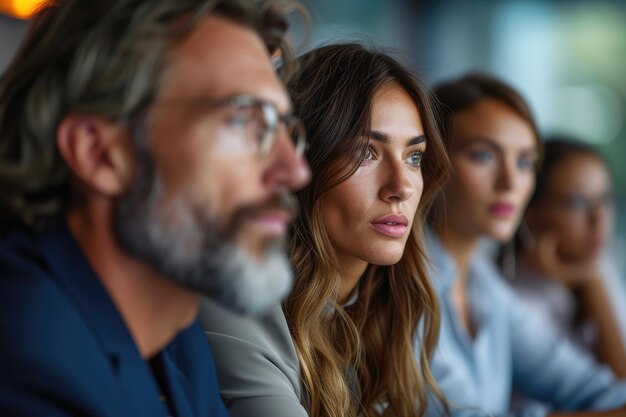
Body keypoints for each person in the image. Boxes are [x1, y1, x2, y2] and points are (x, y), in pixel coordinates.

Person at [0, 0, 310, 416]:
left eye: (281, 129)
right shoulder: (30, 369)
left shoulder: (176, 332)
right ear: (98, 154)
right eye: (242, 120)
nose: (294, 171)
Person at [200, 42, 451, 417]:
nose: (401, 186)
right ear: (297, 164)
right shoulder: (239, 299)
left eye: (413, 157)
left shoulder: (384, 304)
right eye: (365, 152)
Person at [426, 73, 626, 417]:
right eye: (483, 156)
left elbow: (598, 389)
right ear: (429, 162)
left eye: (524, 162)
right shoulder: (402, 281)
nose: (510, 182)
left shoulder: (483, 281)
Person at [513, 138, 626, 378]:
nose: (599, 218)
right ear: (530, 214)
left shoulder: (602, 263)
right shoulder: (517, 301)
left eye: (605, 199)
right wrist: (593, 279)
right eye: (577, 203)